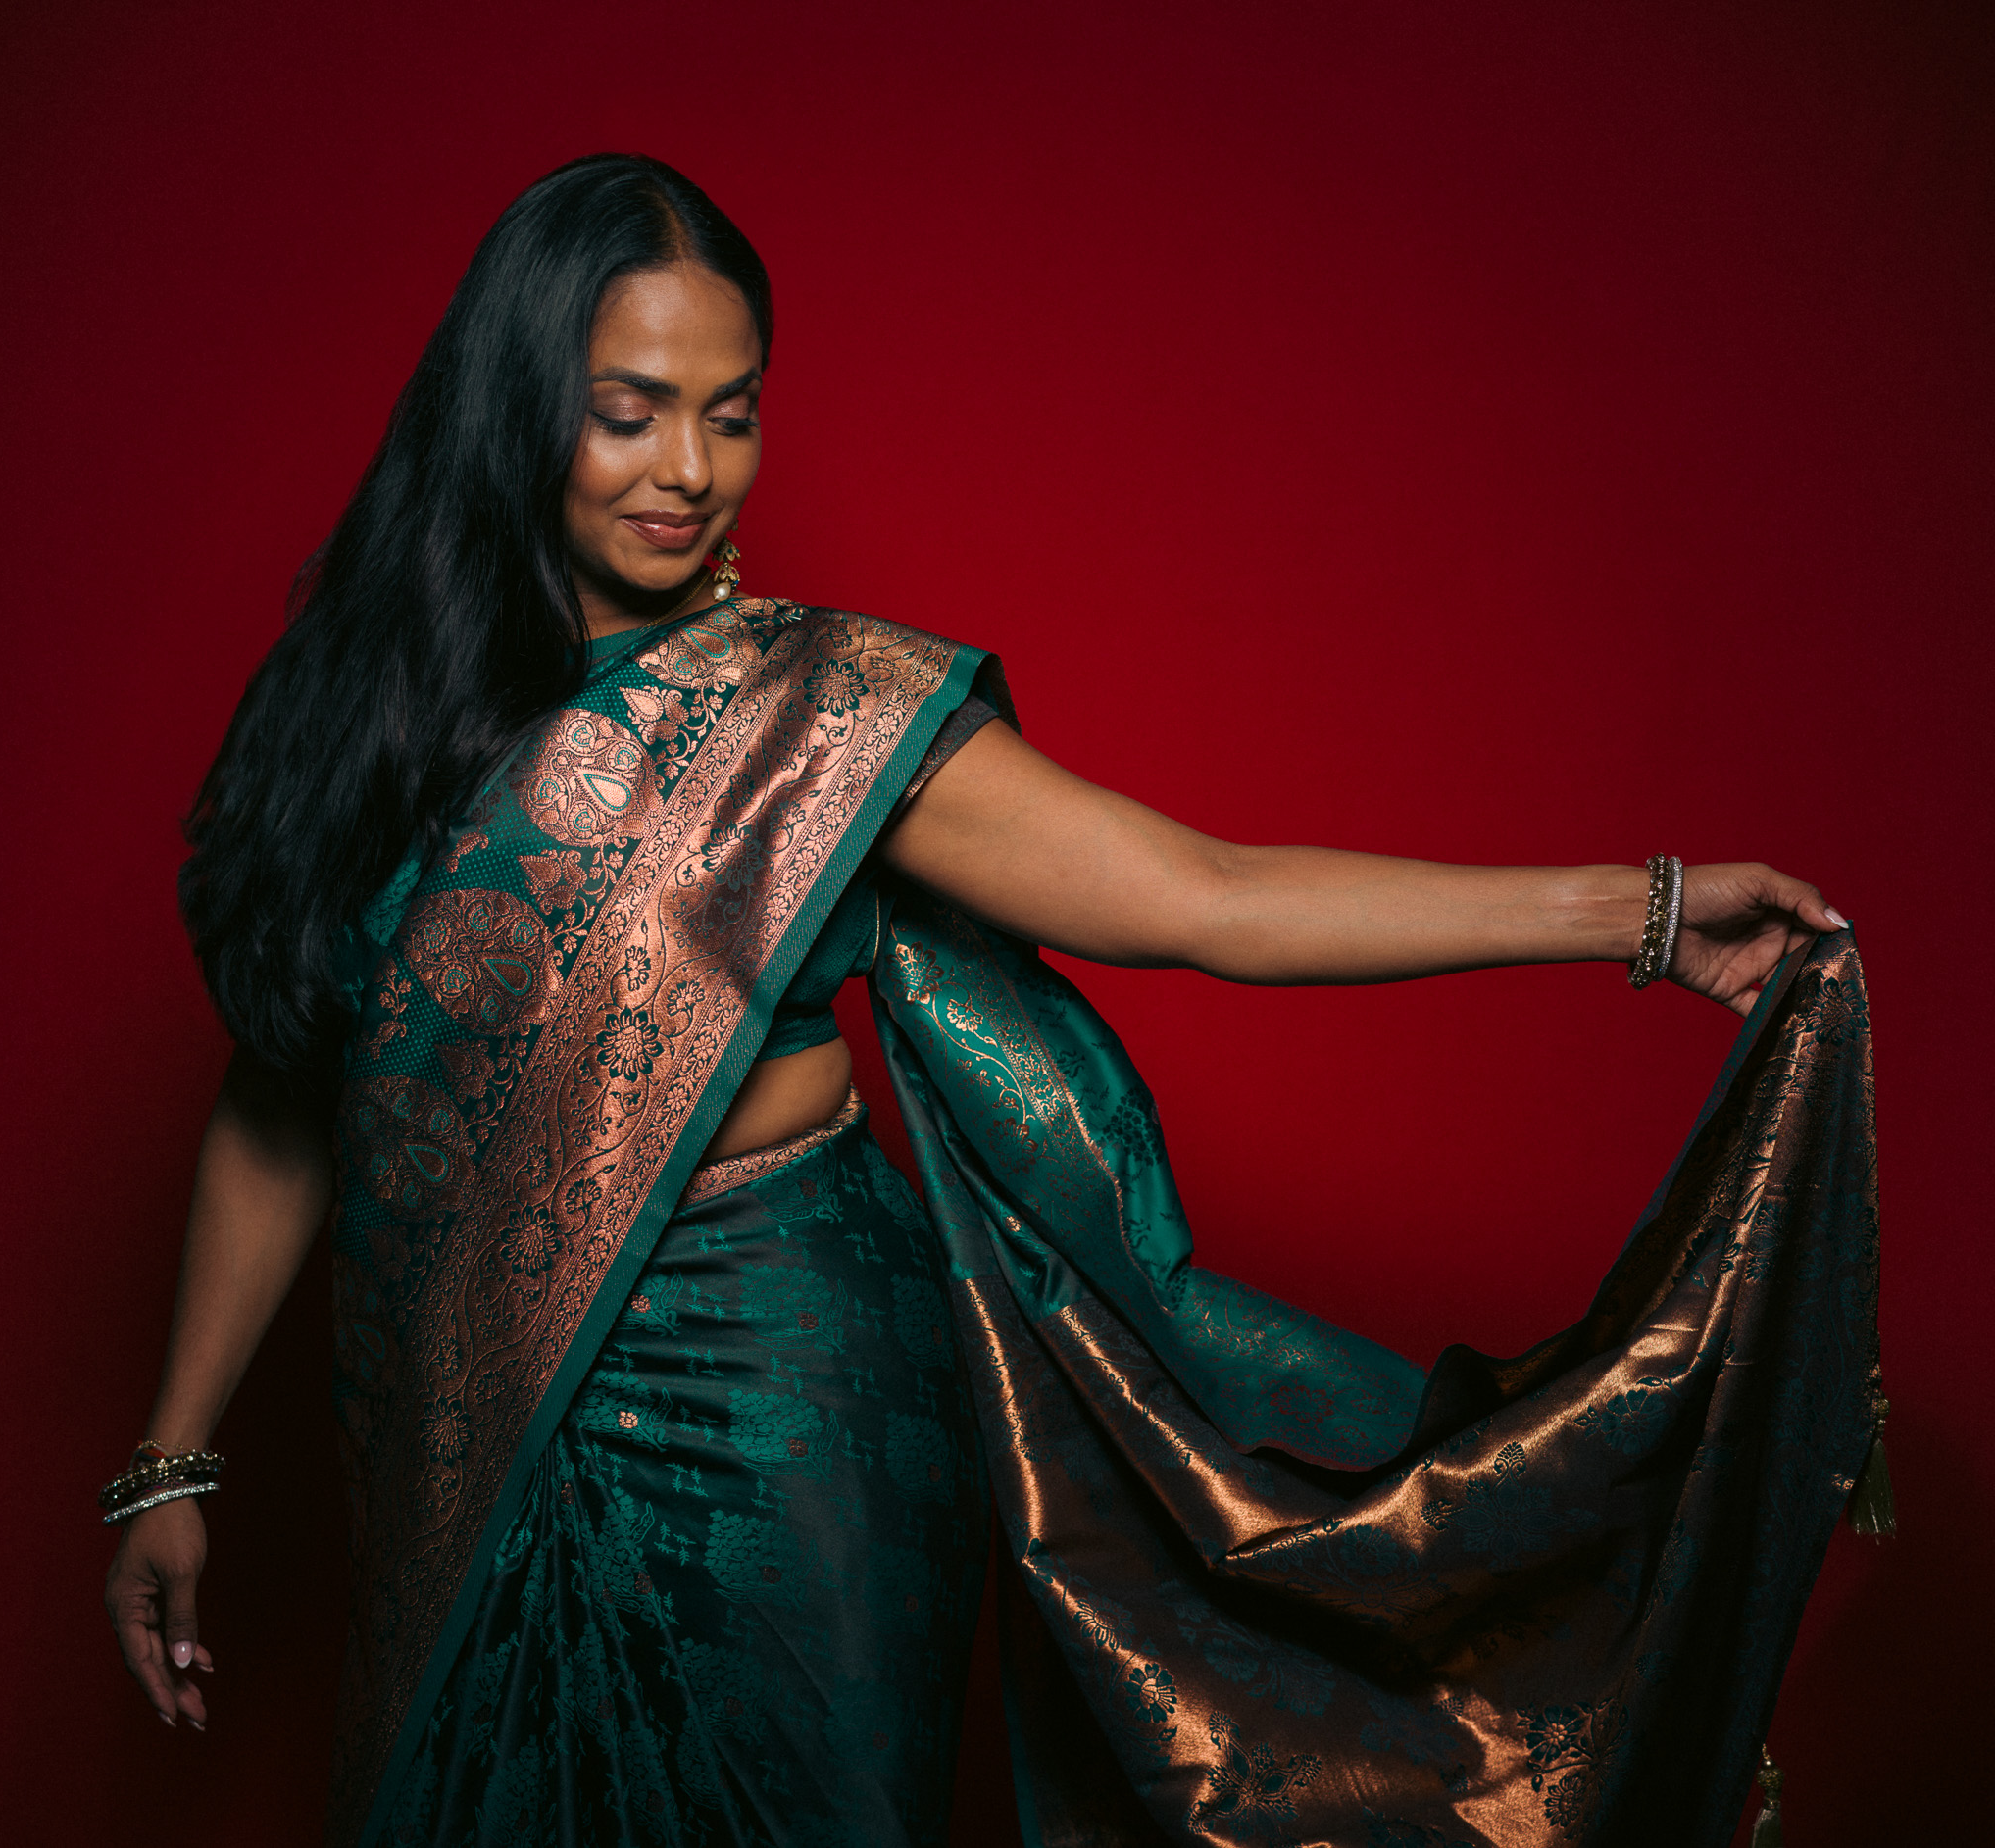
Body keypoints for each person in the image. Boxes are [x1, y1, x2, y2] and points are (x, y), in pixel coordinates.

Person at [103, 154, 1881, 1848]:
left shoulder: (819, 714)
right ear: (510, 414)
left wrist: (1640, 909)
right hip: (461, 1436)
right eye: (628, 411)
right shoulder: (365, 725)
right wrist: (172, 1453)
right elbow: (289, 1092)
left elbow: (1205, 894)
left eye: (733, 411)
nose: (691, 470)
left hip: (785, 1413)